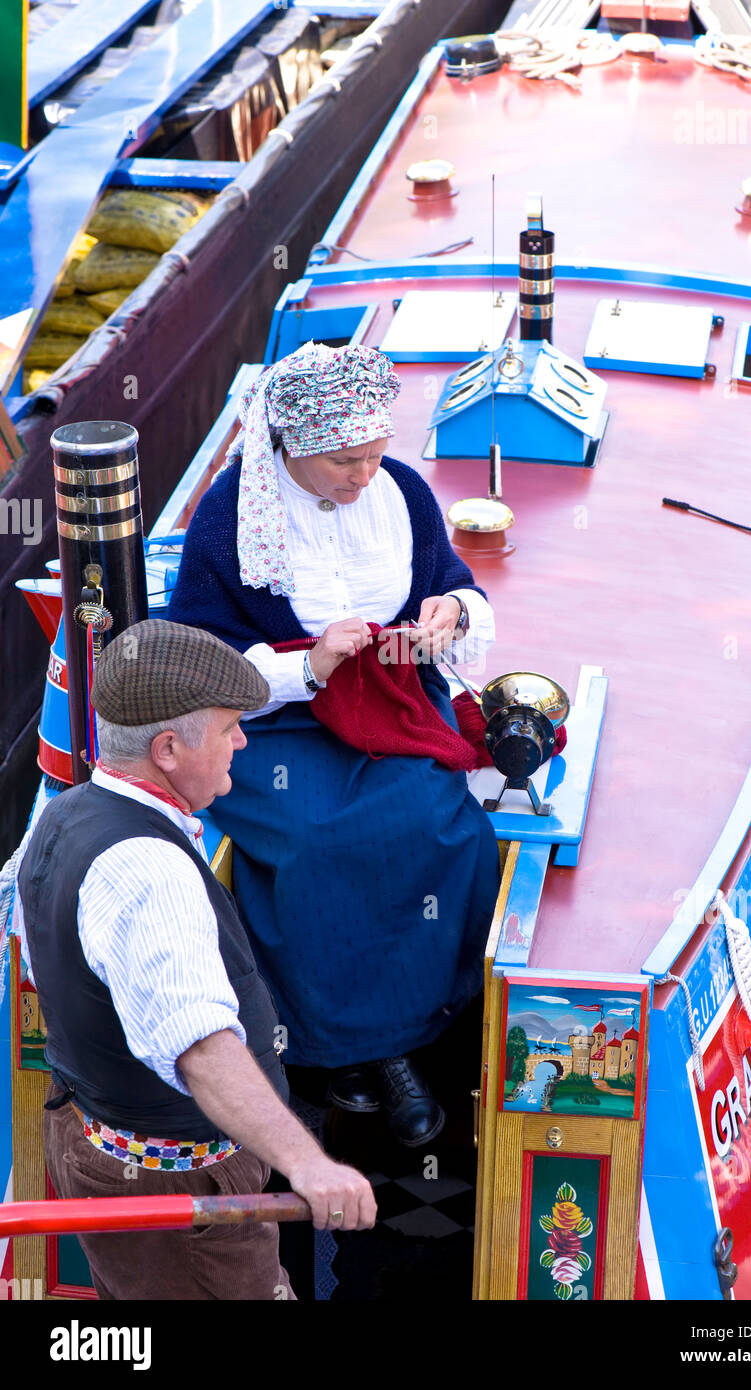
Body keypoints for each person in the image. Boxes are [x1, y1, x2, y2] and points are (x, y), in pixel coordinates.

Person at [166, 341, 501, 1145]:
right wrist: (305, 665)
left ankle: (412, 1033)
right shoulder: (229, 517)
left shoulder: (401, 494)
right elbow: (196, 660)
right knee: (314, 840)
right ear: (292, 446)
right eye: (345, 462)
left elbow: (452, 581)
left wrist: (450, 613)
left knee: (439, 825)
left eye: (374, 456)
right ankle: (346, 1051)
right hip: (272, 719)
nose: (363, 477)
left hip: (388, 701)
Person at [14, 619, 376, 1301]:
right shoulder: (151, 873)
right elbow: (202, 1052)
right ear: (169, 748)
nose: (243, 740)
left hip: (100, 1144)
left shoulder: (65, 812)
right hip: (181, 1196)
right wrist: (308, 1165)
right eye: (229, 728)